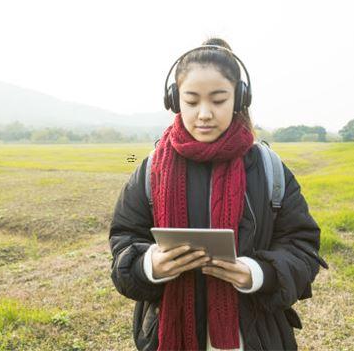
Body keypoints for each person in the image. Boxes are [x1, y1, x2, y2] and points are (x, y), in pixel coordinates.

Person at [109, 38, 328, 351]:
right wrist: (149, 265)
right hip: (168, 333)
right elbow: (124, 240)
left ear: (239, 98)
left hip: (254, 336)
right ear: (175, 100)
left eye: (218, 99)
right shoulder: (151, 168)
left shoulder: (269, 169)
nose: (204, 113)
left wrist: (258, 273)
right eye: (192, 100)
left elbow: (303, 247)